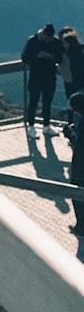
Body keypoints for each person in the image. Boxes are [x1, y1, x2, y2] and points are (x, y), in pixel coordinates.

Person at [22, 22, 62, 139]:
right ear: (43, 34)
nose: (49, 40)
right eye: (47, 38)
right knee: (33, 101)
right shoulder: (33, 41)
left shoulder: (55, 42)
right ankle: (31, 125)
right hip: (36, 77)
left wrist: (52, 57)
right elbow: (25, 57)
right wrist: (37, 56)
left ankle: (46, 125)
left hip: (50, 77)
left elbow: (60, 57)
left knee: (47, 102)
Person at [68, 92, 84, 234]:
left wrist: (69, 134)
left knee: (77, 194)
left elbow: (80, 145)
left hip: (81, 166)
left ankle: (81, 226)